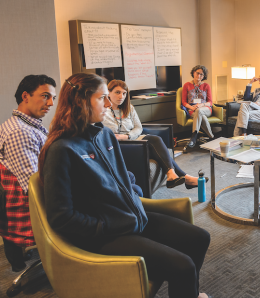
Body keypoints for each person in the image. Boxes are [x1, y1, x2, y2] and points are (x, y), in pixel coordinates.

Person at [38, 73, 210, 298]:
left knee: (199, 238)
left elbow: (122, 175)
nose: (109, 104)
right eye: (103, 98)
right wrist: (106, 225)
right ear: (81, 101)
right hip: (105, 235)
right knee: (183, 266)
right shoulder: (62, 149)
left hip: (129, 217)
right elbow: (61, 217)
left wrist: (132, 194)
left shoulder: (105, 135)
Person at [102, 80, 204, 189]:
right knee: (155, 143)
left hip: (133, 139)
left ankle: (173, 175)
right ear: (108, 92)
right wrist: (119, 138)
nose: (121, 96)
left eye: (124, 93)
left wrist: (127, 136)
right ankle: (185, 178)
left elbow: (138, 127)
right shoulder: (103, 111)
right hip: (121, 145)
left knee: (156, 140)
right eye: (117, 92)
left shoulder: (129, 108)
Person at [0, 74, 56, 272]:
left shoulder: (28, 125)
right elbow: (33, 183)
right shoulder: (20, 132)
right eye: (45, 96)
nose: (50, 103)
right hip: (26, 204)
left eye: (52, 98)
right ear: (25, 96)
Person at [182, 65, 214, 148]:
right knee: (201, 116)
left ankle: (194, 136)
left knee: (199, 111)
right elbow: (184, 102)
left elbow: (210, 102)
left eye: (202, 74)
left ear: (204, 76)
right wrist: (191, 107)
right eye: (198, 73)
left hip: (205, 109)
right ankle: (212, 137)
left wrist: (201, 105)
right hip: (192, 109)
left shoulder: (206, 86)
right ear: (193, 73)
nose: (199, 76)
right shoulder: (187, 85)